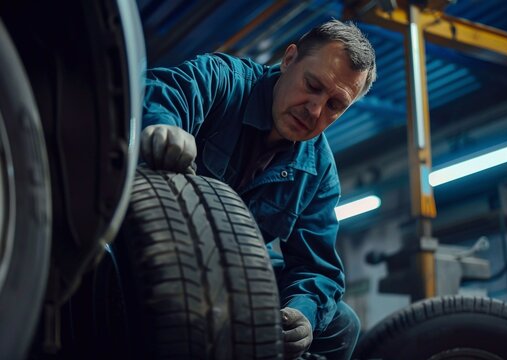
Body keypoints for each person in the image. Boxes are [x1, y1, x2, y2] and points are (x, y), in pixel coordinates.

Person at [140, 19, 376, 360]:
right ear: (289, 59)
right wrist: (163, 127)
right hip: (158, 241)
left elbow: (317, 268)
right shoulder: (224, 81)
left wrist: (302, 315)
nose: (314, 110)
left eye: (335, 105)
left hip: (236, 270)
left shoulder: (319, 173)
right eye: (312, 85)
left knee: (341, 325)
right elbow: (165, 91)